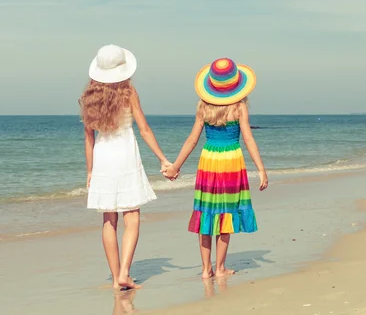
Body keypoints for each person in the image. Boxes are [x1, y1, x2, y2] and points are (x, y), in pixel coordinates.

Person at [163, 58, 268, 279]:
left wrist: (175, 167)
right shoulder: (239, 107)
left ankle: (205, 269)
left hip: (209, 161)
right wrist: (261, 169)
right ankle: (219, 268)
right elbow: (248, 138)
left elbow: (192, 140)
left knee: (206, 213)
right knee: (225, 214)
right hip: (231, 161)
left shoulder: (203, 107)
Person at [80, 44, 172, 290]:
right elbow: (144, 129)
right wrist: (163, 159)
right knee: (132, 216)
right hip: (125, 156)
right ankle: (124, 273)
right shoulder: (129, 93)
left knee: (108, 219)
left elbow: (89, 139)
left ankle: (115, 277)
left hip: (103, 159)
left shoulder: (88, 98)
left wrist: (90, 171)